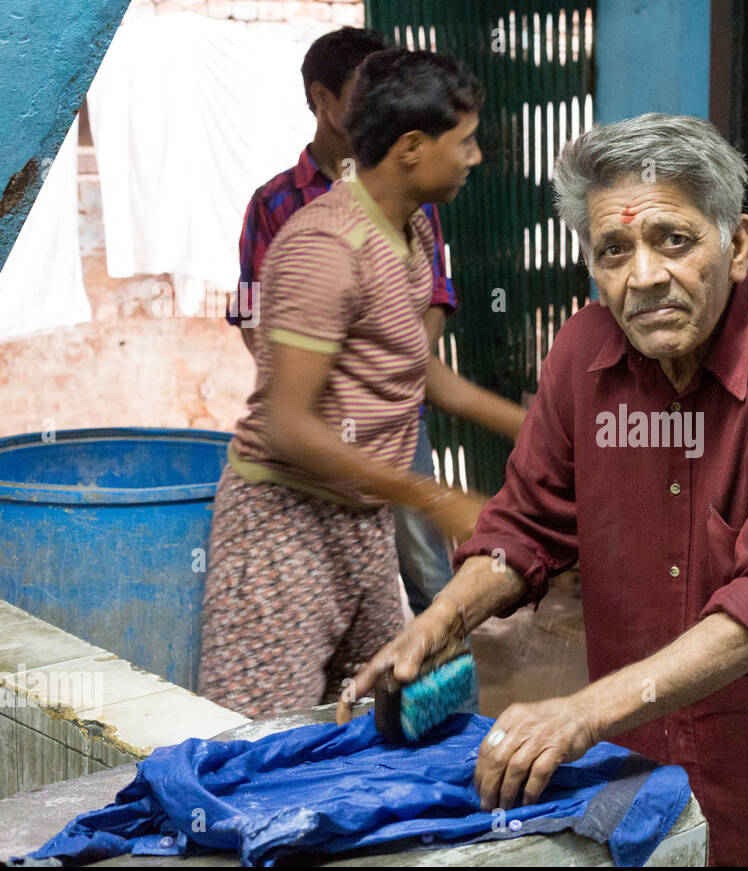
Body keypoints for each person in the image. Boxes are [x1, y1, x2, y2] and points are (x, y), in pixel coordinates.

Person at [342, 113, 748, 866]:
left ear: (739, 242)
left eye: (673, 240)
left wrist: (581, 713)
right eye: (614, 250)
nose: (644, 276)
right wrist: (446, 616)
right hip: (650, 788)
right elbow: (526, 525)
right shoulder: (584, 352)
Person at [200, 48, 514, 719]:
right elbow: (288, 423)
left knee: (380, 714)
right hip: (285, 531)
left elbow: (417, 373)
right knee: (263, 738)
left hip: (359, 522)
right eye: (464, 142)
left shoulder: (412, 231)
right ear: (410, 147)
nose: (475, 158)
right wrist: (432, 496)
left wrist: (542, 430)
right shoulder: (325, 248)